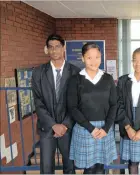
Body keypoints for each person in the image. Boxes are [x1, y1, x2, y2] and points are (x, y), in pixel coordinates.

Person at [32, 34, 80, 174]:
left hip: (68, 128)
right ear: (47, 49)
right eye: (50, 47)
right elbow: (38, 101)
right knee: (46, 168)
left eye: (57, 47)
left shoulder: (75, 72)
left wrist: (65, 124)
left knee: (69, 167)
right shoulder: (38, 73)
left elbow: (77, 103)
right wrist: (53, 124)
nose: (54, 50)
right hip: (47, 128)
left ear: (64, 48)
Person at [67, 42, 117, 174]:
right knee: (88, 169)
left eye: (97, 57)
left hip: (104, 129)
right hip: (85, 129)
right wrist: (91, 128)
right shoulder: (75, 80)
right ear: (82, 58)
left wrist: (106, 128)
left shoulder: (107, 78)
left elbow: (114, 104)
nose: (94, 61)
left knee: (100, 168)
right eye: (89, 57)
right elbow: (72, 107)